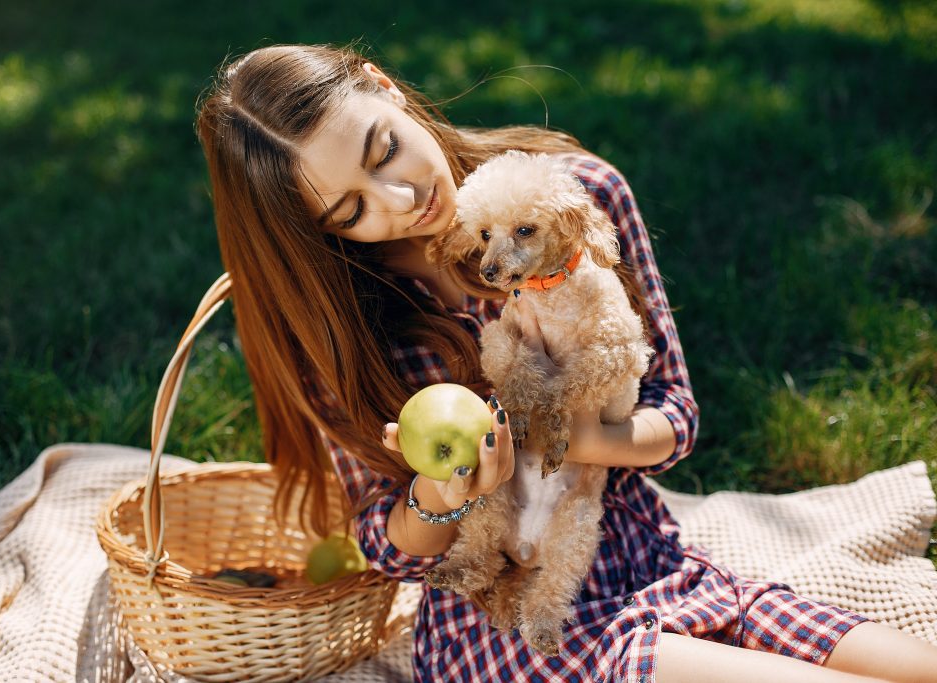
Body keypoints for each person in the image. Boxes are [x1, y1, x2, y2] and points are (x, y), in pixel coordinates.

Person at [195, 43, 937, 682]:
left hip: (643, 553)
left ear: (385, 85)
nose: (399, 197)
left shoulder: (577, 200)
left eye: (385, 149)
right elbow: (385, 547)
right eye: (350, 211)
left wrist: (563, 434)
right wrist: (439, 494)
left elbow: (675, 416)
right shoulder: (334, 325)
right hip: (508, 617)